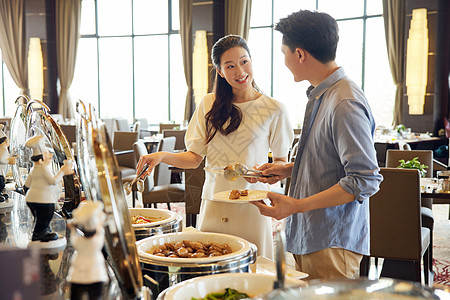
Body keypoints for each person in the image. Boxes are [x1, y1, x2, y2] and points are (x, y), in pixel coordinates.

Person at [250, 10, 383, 280]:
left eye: (284, 53)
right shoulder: (323, 94)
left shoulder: (344, 102)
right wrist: (289, 170)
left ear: (300, 54)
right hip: (312, 235)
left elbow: (364, 180)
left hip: (330, 240)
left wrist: (295, 206)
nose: (284, 61)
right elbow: (329, 161)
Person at [137, 35, 293, 258]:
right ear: (220, 71)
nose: (240, 71)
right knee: (209, 260)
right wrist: (161, 156)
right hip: (214, 199)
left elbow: (280, 162)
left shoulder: (274, 109)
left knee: (252, 266)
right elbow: (194, 158)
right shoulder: (209, 104)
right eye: (230, 66)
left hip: (251, 202)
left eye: (244, 61)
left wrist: (265, 174)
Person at [24, 135, 74, 242]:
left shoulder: (34, 169)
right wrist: (62, 171)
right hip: (42, 200)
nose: (50, 156)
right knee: (45, 216)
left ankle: (43, 230)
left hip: (31, 199)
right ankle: (39, 235)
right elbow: (53, 181)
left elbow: (26, 185)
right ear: (42, 158)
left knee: (40, 218)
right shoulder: (43, 168)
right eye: (48, 154)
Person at [67, 201, 108, 300]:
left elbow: (74, 240)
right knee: (95, 295)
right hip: (95, 273)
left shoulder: (79, 242)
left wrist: (73, 230)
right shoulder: (96, 242)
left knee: (76, 294)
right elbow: (100, 231)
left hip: (78, 272)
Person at [0, 124, 16, 202]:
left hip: (2, 171)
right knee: (1, 183)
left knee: (2, 183)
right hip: (0, 172)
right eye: (6, 141)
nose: (8, 142)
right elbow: (2, 159)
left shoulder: (4, 149)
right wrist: (9, 160)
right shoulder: (2, 150)